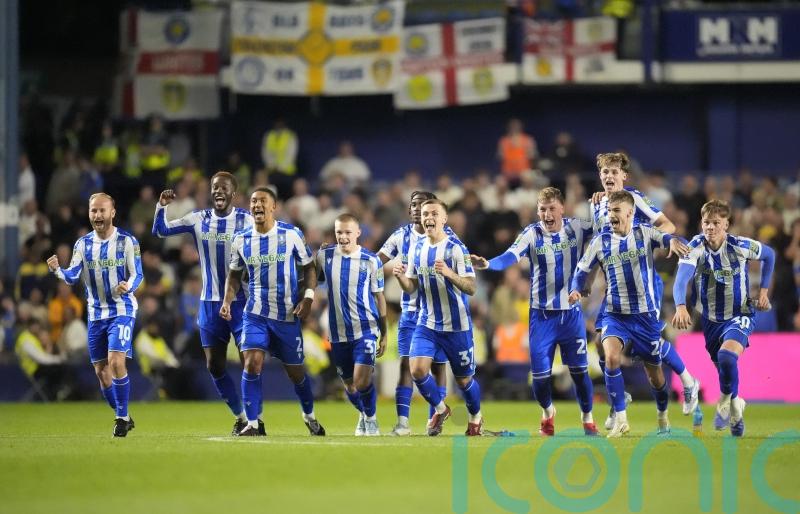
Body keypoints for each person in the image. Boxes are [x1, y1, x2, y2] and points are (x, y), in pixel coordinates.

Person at [471, 187, 598, 436]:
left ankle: (588, 419)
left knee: (580, 374)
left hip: (571, 315)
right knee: (539, 378)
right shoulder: (531, 233)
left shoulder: (578, 227)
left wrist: (604, 200)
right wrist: (488, 263)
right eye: (542, 209)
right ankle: (548, 413)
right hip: (541, 316)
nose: (547, 214)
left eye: (551, 208)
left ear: (562, 208)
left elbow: (606, 230)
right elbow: (510, 256)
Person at [590, 152, 698, 430]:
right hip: (615, 290)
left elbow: (668, 225)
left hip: (643, 288)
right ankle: (618, 406)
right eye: (605, 172)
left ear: (624, 176)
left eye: (614, 172)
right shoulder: (598, 205)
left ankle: (683, 385)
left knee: (653, 370)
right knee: (606, 347)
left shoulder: (635, 199)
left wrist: (648, 238)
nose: (609, 176)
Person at [570, 190, 686, 438]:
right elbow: (582, 270)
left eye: (616, 211)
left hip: (644, 315)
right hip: (615, 313)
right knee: (610, 356)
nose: (612, 215)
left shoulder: (644, 233)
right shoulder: (600, 242)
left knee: (655, 375)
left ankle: (663, 415)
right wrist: (575, 290)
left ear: (630, 213)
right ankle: (621, 417)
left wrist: (673, 241)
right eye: (609, 211)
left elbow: (667, 237)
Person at [152, 171, 253, 435]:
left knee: (249, 362)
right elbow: (160, 230)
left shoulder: (247, 220)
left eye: (224, 188)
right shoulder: (198, 219)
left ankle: (256, 419)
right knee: (214, 365)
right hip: (209, 303)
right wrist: (161, 207)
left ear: (234, 192)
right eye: (214, 187)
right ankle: (241, 416)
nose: (218, 191)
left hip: (241, 301)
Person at [221, 187, 325, 437]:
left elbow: (309, 268)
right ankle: (254, 423)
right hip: (255, 314)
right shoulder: (241, 239)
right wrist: (227, 300)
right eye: (253, 201)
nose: (257, 205)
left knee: (296, 373)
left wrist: (309, 298)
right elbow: (234, 275)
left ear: (273, 207)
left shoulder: (291, 234)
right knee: (252, 362)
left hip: (286, 316)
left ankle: (309, 415)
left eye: (262, 201)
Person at [672, 200, 775, 437]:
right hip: (710, 319)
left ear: (726, 224)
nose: (710, 227)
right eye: (706, 222)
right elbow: (681, 280)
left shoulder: (739, 246)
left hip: (740, 313)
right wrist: (680, 306)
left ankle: (725, 401)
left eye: (716, 223)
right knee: (723, 368)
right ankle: (736, 407)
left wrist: (763, 291)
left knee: (727, 357)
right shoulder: (695, 247)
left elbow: (769, 255)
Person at [46, 192, 143, 437]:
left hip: (122, 309)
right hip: (96, 314)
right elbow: (72, 276)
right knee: (101, 373)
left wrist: (128, 287)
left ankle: (121, 419)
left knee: (116, 361)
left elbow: (138, 274)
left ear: (113, 212)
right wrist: (58, 270)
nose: (97, 215)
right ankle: (124, 414)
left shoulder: (127, 241)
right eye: (93, 211)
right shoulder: (82, 244)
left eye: (102, 210)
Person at [394, 199, 484, 436]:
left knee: (464, 382)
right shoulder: (417, 248)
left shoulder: (456, 248)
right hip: (427, 322)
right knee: (417, 370)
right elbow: (412, 287)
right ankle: (441, 409)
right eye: (425, 214)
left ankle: (475, 416)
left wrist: (448, 273)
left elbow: (471, 287)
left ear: (444, 219)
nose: (428, 217)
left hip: (457, 327)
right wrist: (402, 279)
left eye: (434, 213)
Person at [377, 191, 451, 436]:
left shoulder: (446, 237)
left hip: (438, 312)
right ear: (409, 211)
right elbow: (377, 260)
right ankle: (403, 423)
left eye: (423, 206)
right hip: (410, 312)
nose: (418, 210)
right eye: (414, 206)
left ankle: (434, 421)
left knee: (438, 367)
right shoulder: (400, 236)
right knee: (406, 366)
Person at [317, 213, 387, 436]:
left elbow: (379, 297)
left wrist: (384, 333)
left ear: (358, 233)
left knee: (361, 380)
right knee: (349, 386)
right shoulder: (324, 255)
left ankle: (371, 418)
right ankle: (364, 413)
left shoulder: (371, 260)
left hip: (365, 328)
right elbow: (312, 277)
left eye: (348, 232)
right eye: (339, 232)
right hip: (338, 333)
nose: (343, 237)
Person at [497, 118, 536, 188]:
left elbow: (532, 155)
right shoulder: (503, 140)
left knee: (529, 178)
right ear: (508, 128)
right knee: (500, 182)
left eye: (516, 126)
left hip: (524, 170)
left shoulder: (527, 139)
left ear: (520, 127)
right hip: (508, 171)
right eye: (512, 127)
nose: (514, 128)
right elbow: (500, 156)